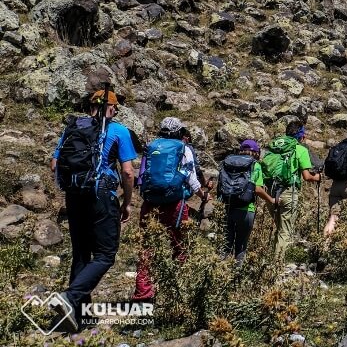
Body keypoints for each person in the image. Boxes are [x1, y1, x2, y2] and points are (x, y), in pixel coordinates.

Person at [49, 89, 138, 332]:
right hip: (102, 195)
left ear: (91, 107)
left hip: (74, 195)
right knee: (106, 255)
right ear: (110, 107)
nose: (117, 112)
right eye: (116, 108)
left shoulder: (73, 128)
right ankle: (70, 297)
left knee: (81, 254)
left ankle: (79, 318)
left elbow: (55, 164)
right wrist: (127, 203)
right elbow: (128, 172)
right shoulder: (119, 130)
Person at [132, 117, 208, 301]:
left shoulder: (152, 146)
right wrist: (203, 195)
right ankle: (178, 290)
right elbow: (190, 176)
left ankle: (143, 292)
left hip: (150, 203)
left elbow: (141, 176)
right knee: (179, 245)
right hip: (175, 203)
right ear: (180, 132)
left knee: (147, 247)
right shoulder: (183, 148)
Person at [263, 121, 322, 260]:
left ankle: (271, 260)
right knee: (285, 231)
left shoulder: (274, 146)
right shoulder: (300, 149)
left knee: (279, 228)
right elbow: (307, 176)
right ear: (301, 136)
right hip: (289, 192)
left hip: (270, 192)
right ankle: (276, 266)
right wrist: (318, 177)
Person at [220, 139, 276, 262]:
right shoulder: (255, 165)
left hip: (227, 207)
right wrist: (271, 199)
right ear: (256, 152)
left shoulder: (228, 162)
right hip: (246, 209)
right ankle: (237, 276)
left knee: (224, 245)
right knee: (241, 246)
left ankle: (219, 271)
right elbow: (257, 188)